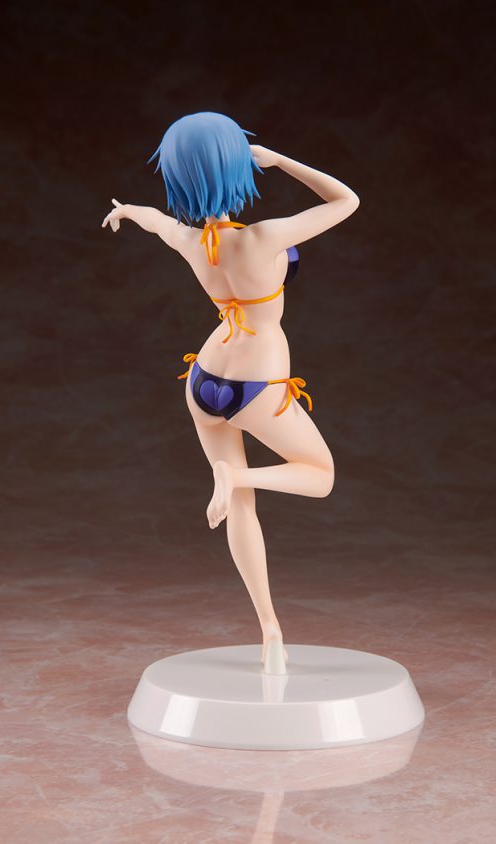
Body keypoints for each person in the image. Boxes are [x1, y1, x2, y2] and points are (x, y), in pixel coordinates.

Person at [102, 112, 360, 673]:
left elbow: (155, 221)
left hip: (204, 379)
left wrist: (126, 211)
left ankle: (270, 631)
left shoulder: (191, 241)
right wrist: (279, 160)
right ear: (235, 166)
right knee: (320, 475)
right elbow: (346, 200)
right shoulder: (264, 237)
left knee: (243, 513)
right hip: (256, 386)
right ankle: (238, 477)